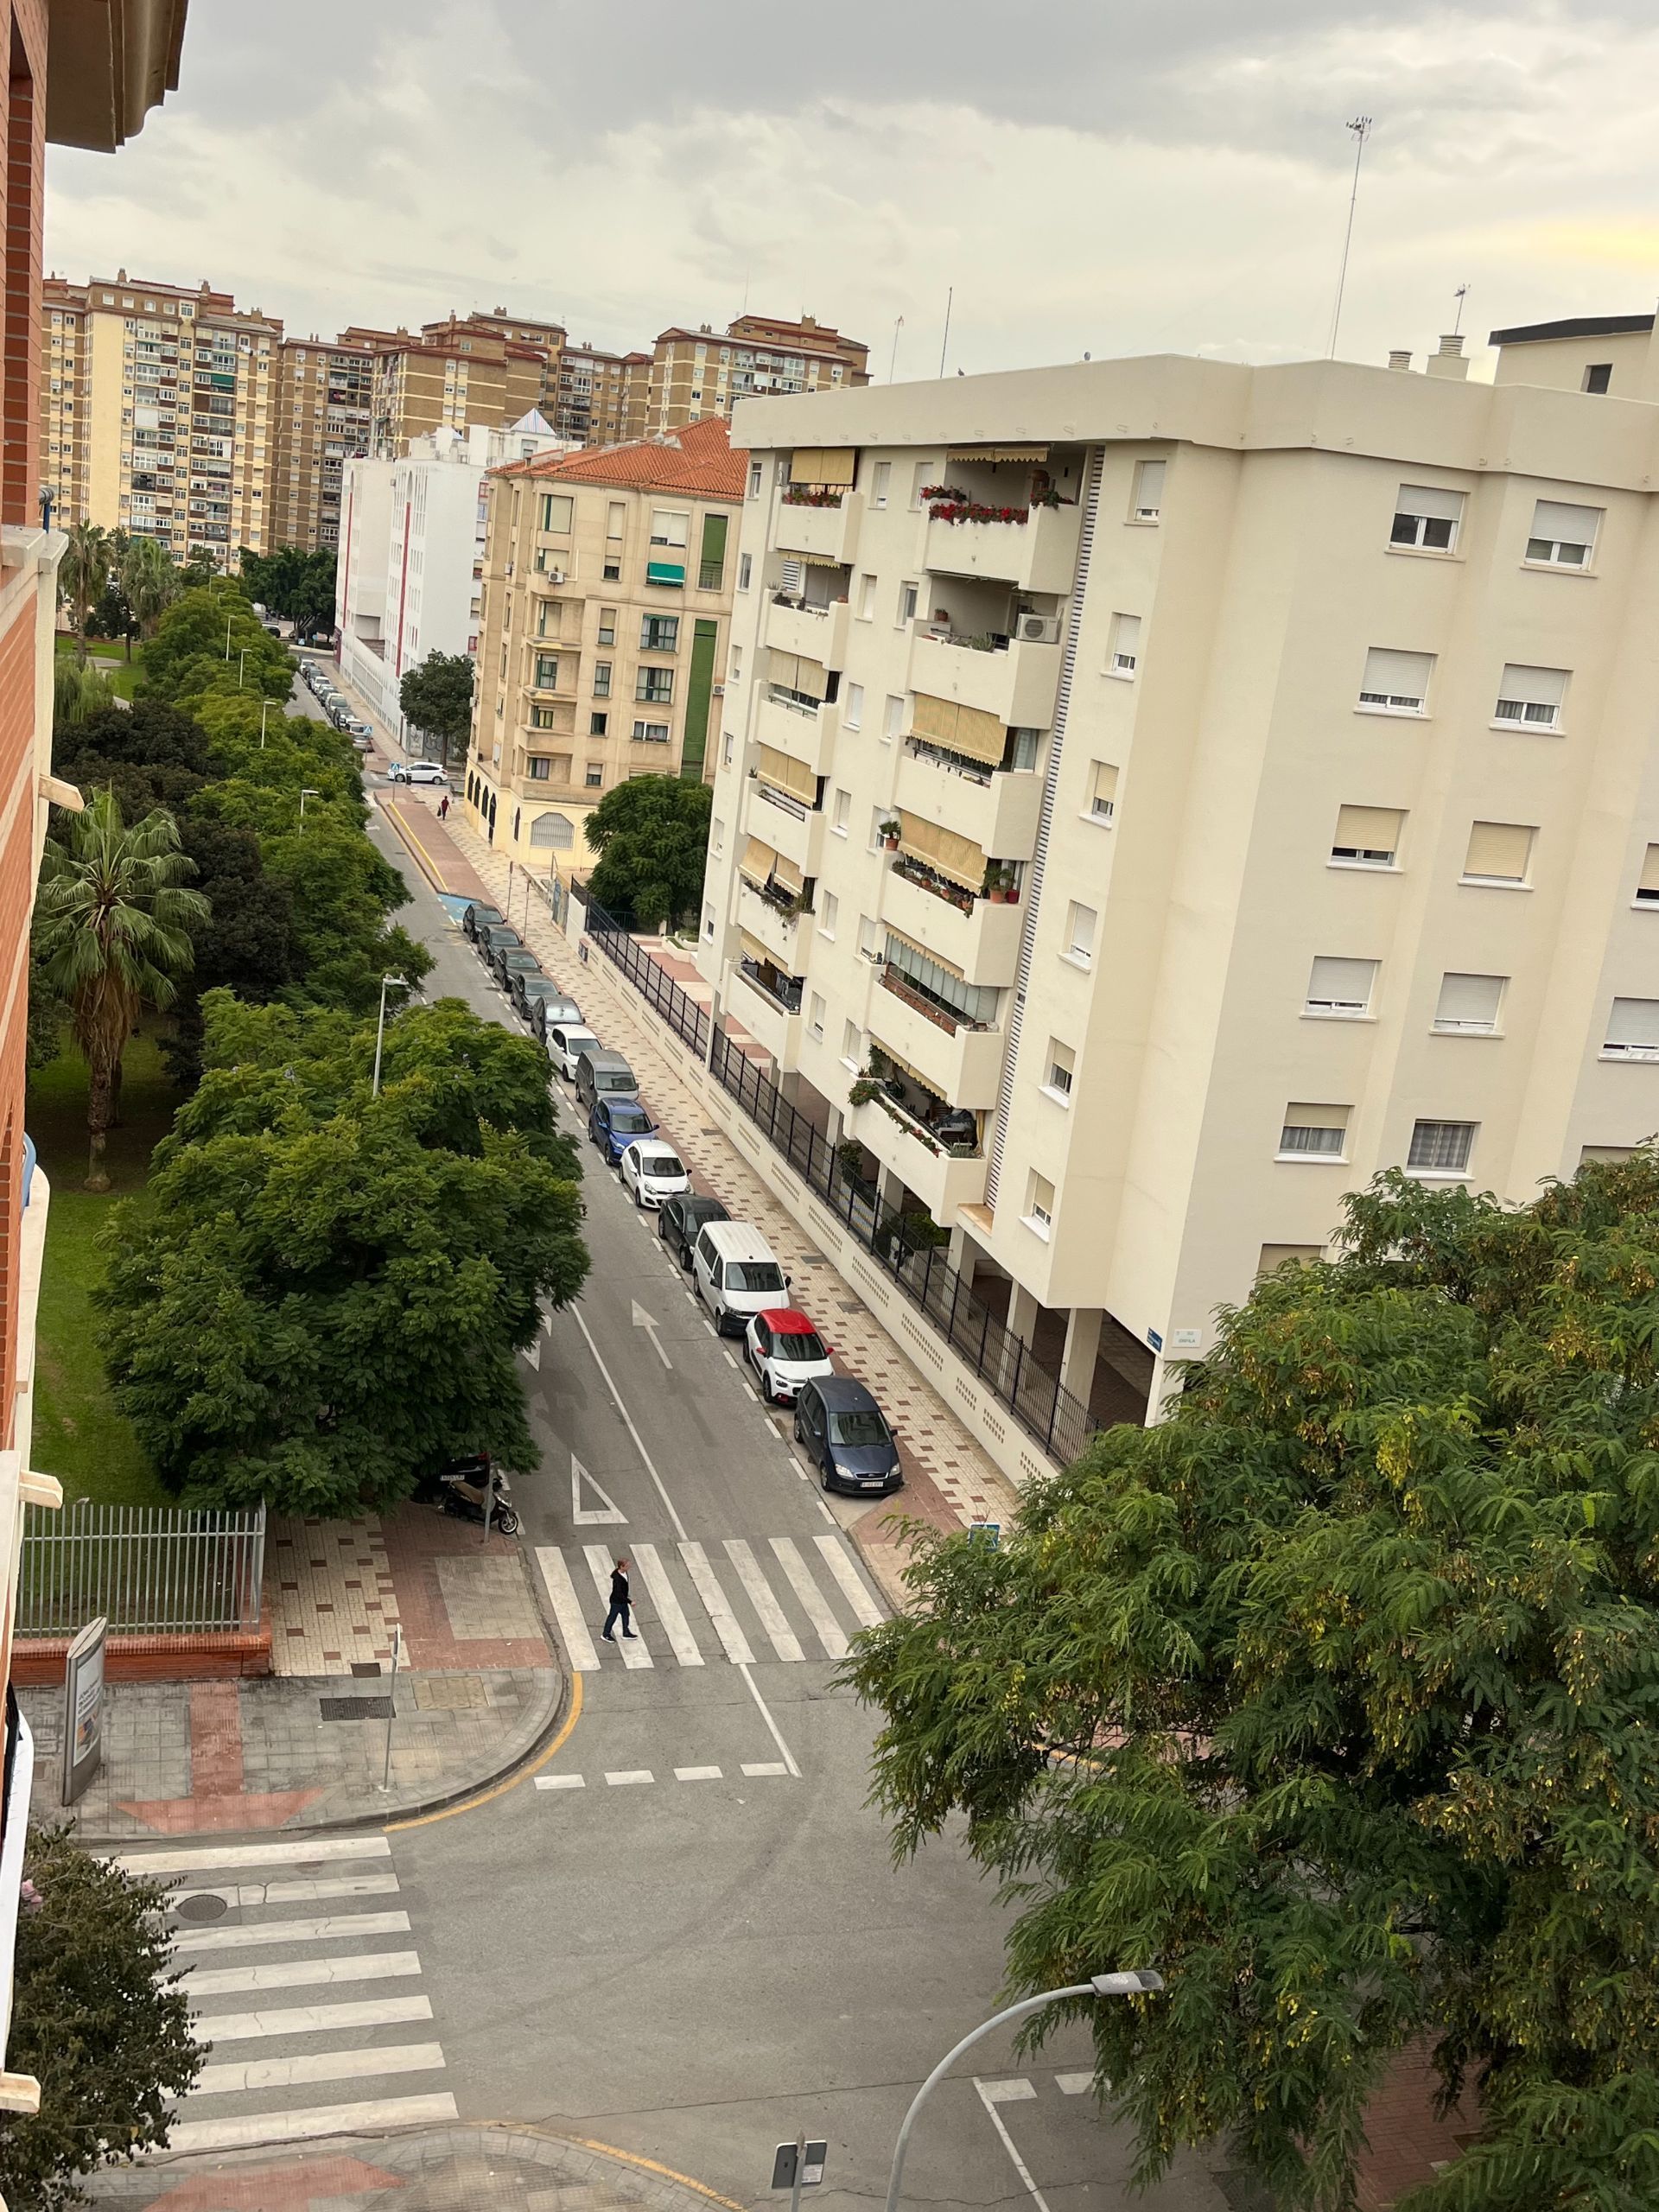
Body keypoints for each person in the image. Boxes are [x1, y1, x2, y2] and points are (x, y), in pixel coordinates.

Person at [601, 1557, 636, 1641]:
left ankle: (626, 1633)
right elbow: (618, 1593)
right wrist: (630, 1601)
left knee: (626, 1615)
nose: (629, 1567)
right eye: (627, 1566)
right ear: (621, 1566)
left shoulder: (624, 1572)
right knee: (612, 1617)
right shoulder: (617, 1579)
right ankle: (605, 1634)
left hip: (622, 1601)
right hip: (617, 1602)